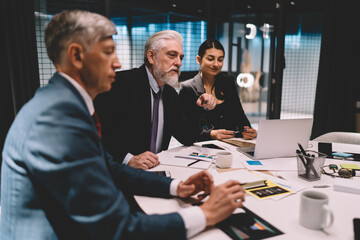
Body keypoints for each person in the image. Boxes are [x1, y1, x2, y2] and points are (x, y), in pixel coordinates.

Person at [0, 10, 246, 240]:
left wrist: (177, 187)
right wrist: (205, 214)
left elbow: (110, 167)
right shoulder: (56, 121)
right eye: (108, 52)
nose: (117, 63)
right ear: (76, 56)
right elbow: (117, 227)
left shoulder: (62, 104)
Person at [94, 30, 216, 170]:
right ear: (151, 57)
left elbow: (187, 136)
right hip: (119, 173)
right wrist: (129, 159)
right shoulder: (120, 84)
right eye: (172, 55)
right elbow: (100, 134)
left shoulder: (169, 94)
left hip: (155, 171)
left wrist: (199, 106)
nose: (179, 63)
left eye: (181, 58)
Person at [179, 39, 257, 141]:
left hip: (232, 145)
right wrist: (210, 134)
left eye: (220, 59)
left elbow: (240, 116)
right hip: (204, 148)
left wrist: (248, 130)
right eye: (211, 59)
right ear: (199, 59)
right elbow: (186, 131)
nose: (216, 64)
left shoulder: (228, 82)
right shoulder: (188, 88)